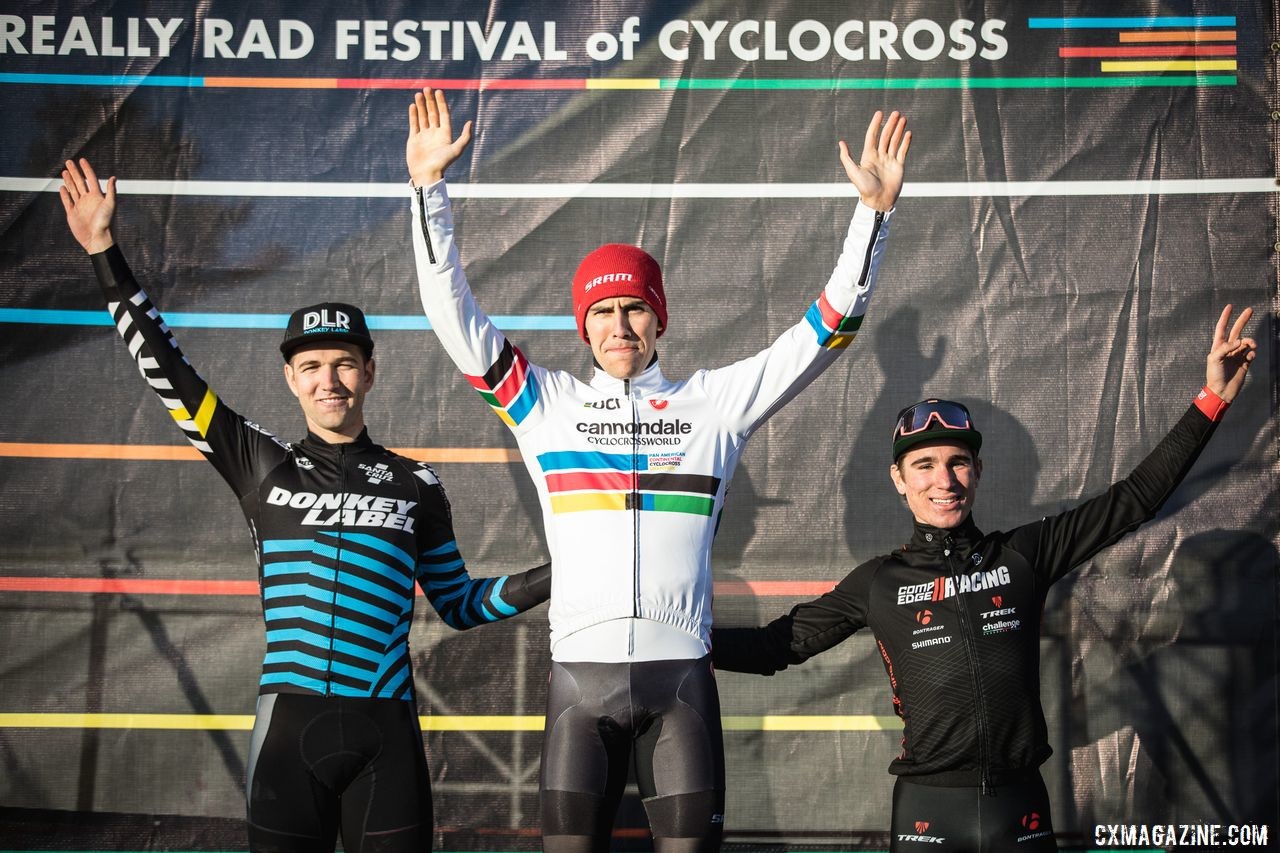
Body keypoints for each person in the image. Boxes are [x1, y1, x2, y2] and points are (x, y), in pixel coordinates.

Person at [404, 87, 909, 853]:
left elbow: (827, 329)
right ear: (583, 326)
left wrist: (871, 215)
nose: (619, 326)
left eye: (635, 309)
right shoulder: (545, 404)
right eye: (602, 313)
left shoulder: (715, 404)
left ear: (660, 318)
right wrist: (427, 189)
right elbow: (451, 313)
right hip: (579, 682)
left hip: (682, 683)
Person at [59, 157, 551, 853]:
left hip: (387, 739)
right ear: (290, 377)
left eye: (345, 362)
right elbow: (166, 368)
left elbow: (462, 604)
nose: (330, 379)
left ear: (370, 372)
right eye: (313, 365)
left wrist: (564, 569)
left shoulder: (417, 483)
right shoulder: (260, 463)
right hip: (288, 734)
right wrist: (105, 255)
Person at [711, 306, 1256, 852]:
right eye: (924, 465)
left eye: (958, 462)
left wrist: (1212, 401)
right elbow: (772, 647)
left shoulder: (1023, 554)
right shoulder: (878, 581)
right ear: (899, 480)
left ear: (978, 471)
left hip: (1019, 807)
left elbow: (1135, 499)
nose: (943, 480)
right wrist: (665, 642)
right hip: (928, 809)